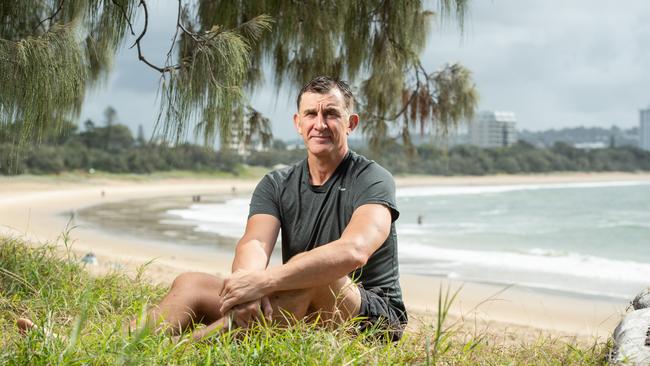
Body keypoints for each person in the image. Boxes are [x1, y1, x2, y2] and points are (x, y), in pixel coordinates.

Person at [20, 76, 407, 341]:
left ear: (351, 123)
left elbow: (353, 250)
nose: (320, 123)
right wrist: (249, 286)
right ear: (297, 122)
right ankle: (89, 342)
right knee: (190, 282)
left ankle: (179, 354)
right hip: (300, 304)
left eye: (331, 114)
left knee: (317, 274)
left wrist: (267, 282)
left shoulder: (372, 179)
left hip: (370, 317)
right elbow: (254, 243)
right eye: (311, 114)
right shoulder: (276, 183)